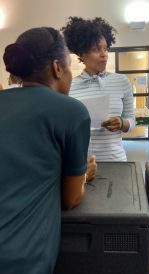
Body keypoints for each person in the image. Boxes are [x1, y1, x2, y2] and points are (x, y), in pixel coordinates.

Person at [0, 27, 92, 273]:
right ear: (57, 67)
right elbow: (70, 198)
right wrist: (85, 174)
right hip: (21, 258)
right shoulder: (71, 111)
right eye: (70, 65)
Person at [61, 17, 136, 161]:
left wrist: (121, 123)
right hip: (81, 163)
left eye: (105, 48)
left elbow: (131, 121)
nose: (104, 54)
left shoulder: (121, 81)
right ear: (82, 54)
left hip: (116, 161)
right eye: (96, 49)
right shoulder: (70, 86)